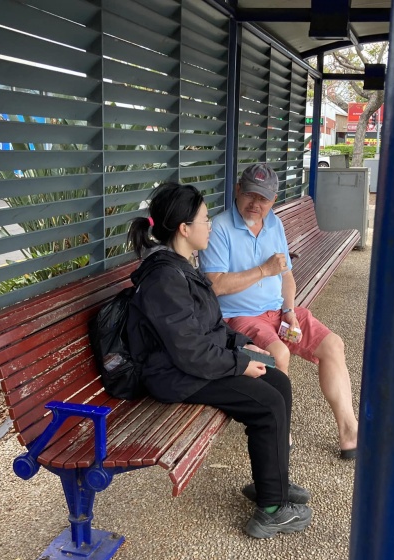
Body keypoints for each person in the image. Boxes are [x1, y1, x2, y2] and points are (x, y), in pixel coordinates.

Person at [126, 182, 312, 539]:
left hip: (190, 365)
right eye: (205, 219)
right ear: (184, 229)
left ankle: (273, 483)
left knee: (278, 381)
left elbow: (210, 326)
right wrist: (240, 364)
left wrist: (244, 345)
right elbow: (190, 351)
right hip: (174, 374)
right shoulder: (165, 278)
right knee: (268, 404)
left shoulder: (181, 267)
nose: (210, 226)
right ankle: (271, 511)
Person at [198, 164, 359, 459]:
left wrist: (289, 310)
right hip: (238, 317)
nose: (255, 204)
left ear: (273, 199)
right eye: (250, 194)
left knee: (333, 345)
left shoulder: (275, 224)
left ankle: (349, 430)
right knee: (278, 353)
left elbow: (286, 276)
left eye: (263, 198)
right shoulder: (219, 228)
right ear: (237, 190)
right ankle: (279, 431)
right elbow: (216, 285)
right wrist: (263, 270)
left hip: (278, 311)